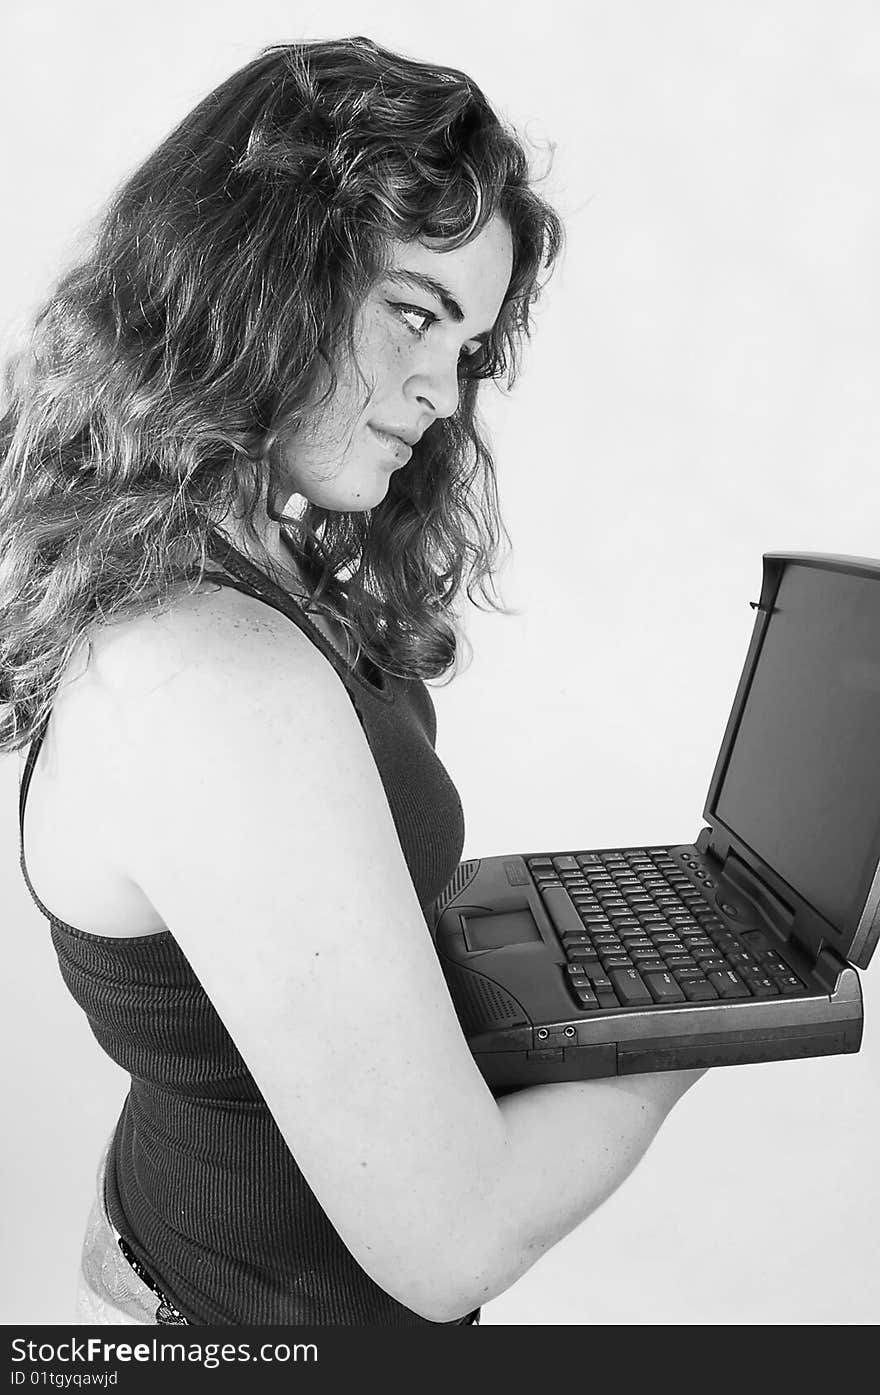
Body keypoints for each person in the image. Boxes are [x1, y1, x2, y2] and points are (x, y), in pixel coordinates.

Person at [0, 36, 704, 1327]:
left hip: (190, 1267)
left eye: (472, 344)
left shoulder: (199, 555)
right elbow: (454, 1242)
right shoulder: (207, 679)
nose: (444, 391)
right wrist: (713, 1003)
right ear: (263, 271)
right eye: (416, 314)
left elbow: (216, 968)